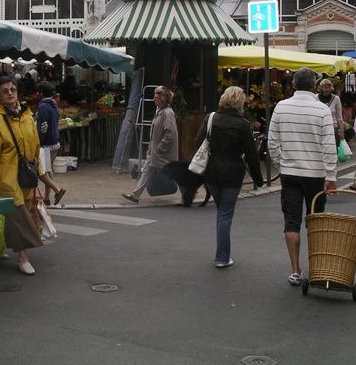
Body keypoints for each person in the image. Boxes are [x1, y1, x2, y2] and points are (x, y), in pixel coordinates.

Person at [268, 67, 337, 286]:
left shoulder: (281, 106)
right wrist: (331, 175)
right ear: (315, 86)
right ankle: (315, 267)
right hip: (315, 174)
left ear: (294, 84)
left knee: (291, 222)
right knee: (315, 221)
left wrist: (281, 162)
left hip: (290, 173)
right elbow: (329, 145)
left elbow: (272, 142)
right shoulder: (322, 110)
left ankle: (295, 270)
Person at [194, 86, 263, 268]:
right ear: (240, 102)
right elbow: (251, 155)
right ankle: (222, 256)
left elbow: (197, 143)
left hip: (212, 172)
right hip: (233, 173)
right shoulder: (243, 125)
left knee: (221, 212)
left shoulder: (211, 118)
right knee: (225, 214)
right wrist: (258, 179)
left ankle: (222, 253)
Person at [0, 75, 44, 275]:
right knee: (19, 217)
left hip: (25, 174)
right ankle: (23, 257)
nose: (10, 93)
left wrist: (39, 171)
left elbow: (35, 144)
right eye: (4, 91)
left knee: (13, 214)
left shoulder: (27, 115)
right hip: (6, 177)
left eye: (12, 89)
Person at [122, 86, 179, 204]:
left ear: (163, 100)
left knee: (173, 173)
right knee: (147, 170)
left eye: (156, 98)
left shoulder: (167, 113)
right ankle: (136, 195)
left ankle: (186, 193)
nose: (154, 99)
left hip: (163, 154)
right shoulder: (160, 111)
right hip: (155, 152)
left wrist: (161, 147)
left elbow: (171, 133)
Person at [35, 81, 66, 206]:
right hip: (55, 142)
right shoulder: (54, 105)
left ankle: (57, 190)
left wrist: (39, 141)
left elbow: (43, 126)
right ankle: (46, 198)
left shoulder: (43, 106)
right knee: (48, 171)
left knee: (41, 173)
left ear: (41, 93)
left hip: (46, 144)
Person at [316, 78, 345, 144]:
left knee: (333, 148)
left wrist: (342, 131)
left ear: (331, 88)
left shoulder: (336, 99)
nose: (326, 89)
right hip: (319, 127)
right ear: (321, 88)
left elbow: (339, 117)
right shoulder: (315, 98)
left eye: (328, 87)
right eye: (324, 87)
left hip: (333, 128)